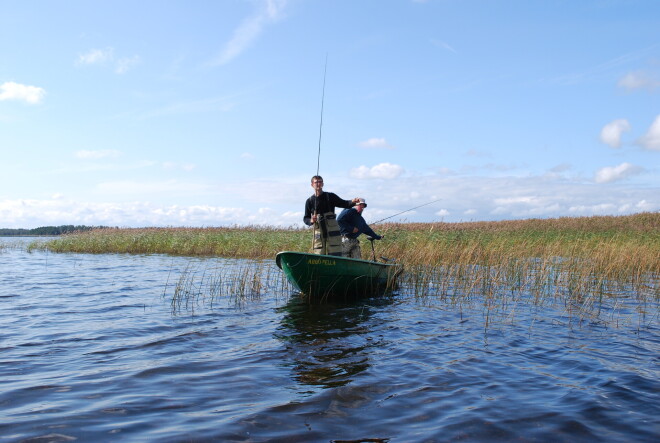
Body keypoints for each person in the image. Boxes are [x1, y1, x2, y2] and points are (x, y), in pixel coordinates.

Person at [303, 175, 360, 256]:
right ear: (312, 185)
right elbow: (306, 218)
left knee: (335, 252)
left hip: (332, 229)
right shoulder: (309, 201)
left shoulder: (330, 196)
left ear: (323, 184)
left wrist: (353, 201)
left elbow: (345, 203)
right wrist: (311, 221)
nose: (318, 184)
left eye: (320, 182)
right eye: (316, 182)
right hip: (318, 230)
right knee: (318, 254)